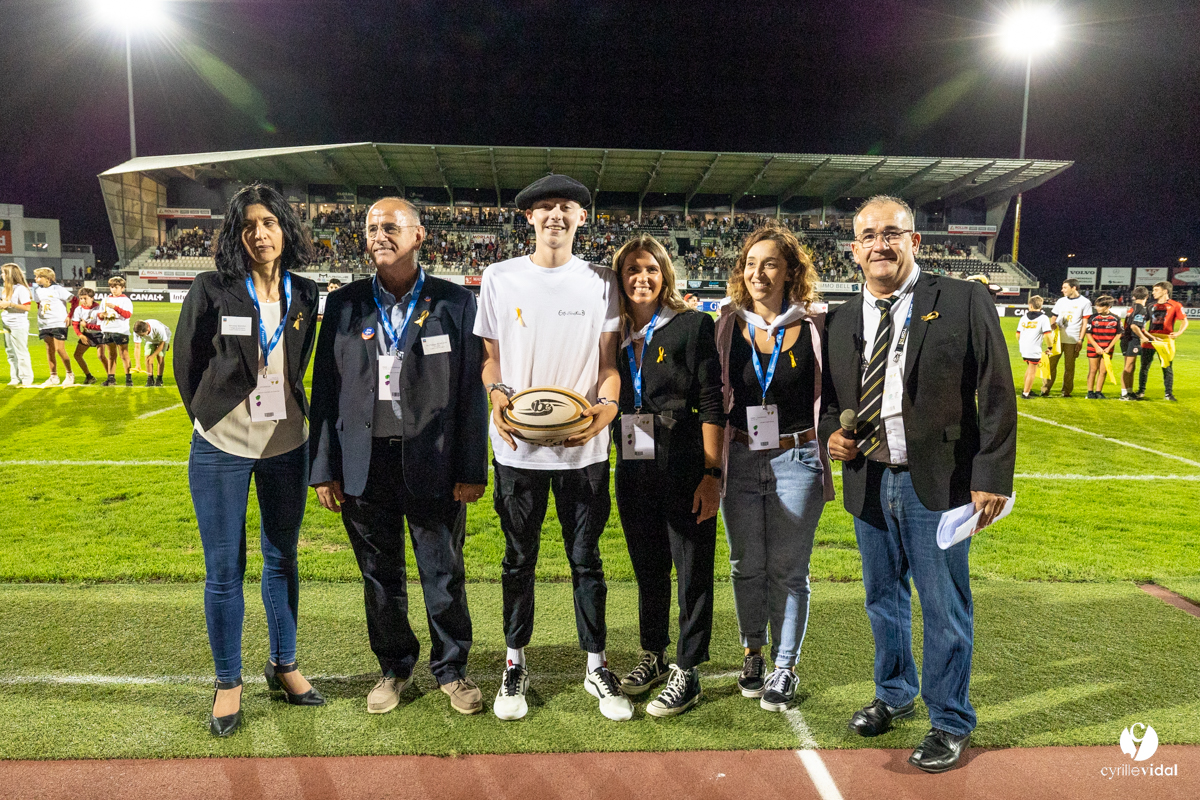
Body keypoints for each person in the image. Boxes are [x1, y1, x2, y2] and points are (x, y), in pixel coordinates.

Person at [819, 196, 1016, 773]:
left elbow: (997, 392)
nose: (881, 244)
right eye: (869, 236)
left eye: (892, 234)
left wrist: (991, 475)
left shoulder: (961, 298)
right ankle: (895, 693)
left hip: (942, 483)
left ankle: (951, 720)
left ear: (915, 242)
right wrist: (834, 432)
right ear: (854, 249)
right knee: (882, 598)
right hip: (870, 478)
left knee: (943, 604)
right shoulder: (842, 317)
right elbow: (833, 401)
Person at [309, 198, 489, 716]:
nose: (378, 235)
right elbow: (324, 391)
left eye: (390, 226)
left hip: (434, 463)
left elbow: (470, 395)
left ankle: (451, 668)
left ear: (419, 236)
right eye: (371, 228)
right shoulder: (343, 304)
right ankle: (394, 667)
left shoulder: (455, 302)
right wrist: (324, 468)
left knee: (443, 571)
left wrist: (471, 467)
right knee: (378, 577)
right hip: (364, 463)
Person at [474, 174, 631, 722]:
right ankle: (514, 663)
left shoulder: (602, 280)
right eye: (544, 208)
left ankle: (596, 665)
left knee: (586, 560)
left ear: (582, 217)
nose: (555, 216)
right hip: (517, 450)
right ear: (529, 219)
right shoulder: (498, 277)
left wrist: (606, 411)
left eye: (566, 207)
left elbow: (610, 365)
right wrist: (495, 394)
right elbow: (491, 358)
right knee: (519, 559)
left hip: (583, 451)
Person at [173, 183, 323, 738]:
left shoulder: (305, 293)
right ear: (237, 234)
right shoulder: (212, 288)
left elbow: (302, 364)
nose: (260, 233)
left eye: (270, 223)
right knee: (224, 570)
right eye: (249, 225)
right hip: (221, 448)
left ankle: (284, 665)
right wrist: (208, 417)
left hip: (287, 445)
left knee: (282, 558)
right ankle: (228, 680)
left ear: (286, 229)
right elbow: (186, 362)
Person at [716, 223, 833, 714]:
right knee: (745, 566)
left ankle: (784, 665)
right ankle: (752, 655)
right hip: (739, 456)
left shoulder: (814, 326)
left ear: (790, 271)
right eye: (750, 263)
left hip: (798, 459)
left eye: (770, 263)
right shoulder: (725, 323)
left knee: (789, 571)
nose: (758, 273)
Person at [610, 235, 723, 717]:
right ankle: (654, 655)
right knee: (648, 565)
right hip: (632, 460)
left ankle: (688, 668)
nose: (642, 278)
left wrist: (712, 472)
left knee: (692, 567)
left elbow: (714, 400)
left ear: (665, 275)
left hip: (683, 459)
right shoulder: (611, 333)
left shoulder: (694, 324)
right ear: (620, 277)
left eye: (651, 269)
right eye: (633, 270)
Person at [1136, 281, 1188, 401]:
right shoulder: (1150, 306)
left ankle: (1168, 394)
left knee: (1167, 367)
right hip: (1150, 340)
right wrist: (1144, 335)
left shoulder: (1176, 305)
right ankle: (1141, 391)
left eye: (1156, 290)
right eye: (1153, 290)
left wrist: (1179, 333)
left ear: (1165, 291)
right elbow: (1143, 323)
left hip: (1165, 340)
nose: (1153, 292)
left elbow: (1184, 321)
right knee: (1144, 366)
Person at [1043, 279, 1092, 397]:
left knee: (1069, 367)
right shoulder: (1061, 301)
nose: (1062, 290)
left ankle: (1066, 391)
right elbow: (1054, 317)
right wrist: (1052, 328)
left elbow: (1085, 323)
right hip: (1057, 339)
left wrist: (1080, 339)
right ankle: (1045, 389)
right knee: (1050, 364)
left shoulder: (1085, 302)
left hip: (1073, 339)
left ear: (1074, 288)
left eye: (1065, 287)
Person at [31, 268, 75, 387]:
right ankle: (53, 376)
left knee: (60, 350)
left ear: (48, 279)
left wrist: (69, 316)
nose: (36, 279)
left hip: (59, 322)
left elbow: (74, 300)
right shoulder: (37, 291)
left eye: (38, 277)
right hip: (45, 324)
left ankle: (70, 374)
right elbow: (39, 304)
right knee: (49, 350)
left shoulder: (58, 289)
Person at [0, 263, 34, 387]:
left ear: (10, 274)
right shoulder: (5, 288)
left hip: (18, 324)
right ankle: (15, 377)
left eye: (3, 273)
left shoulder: (21, 289)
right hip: (7, 323)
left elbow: (27, 307)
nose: (1, 275)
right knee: (10, 352)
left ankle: (26, 378)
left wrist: (10, 304)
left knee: (21, 352)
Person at [1015, 295, 1052, 400]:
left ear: (1030, 306)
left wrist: (1022, 343)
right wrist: (1050, 347)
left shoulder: (1023, 317)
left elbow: (1018, 334)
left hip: (1024, 346)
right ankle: (1026, 393)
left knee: (1029, 368)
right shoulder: (1043, 318)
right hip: (1034, 347)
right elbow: (1047, 335)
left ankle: (1027, 389)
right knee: (1032, 371)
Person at [98, 277, 133, 387]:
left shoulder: (125, 300)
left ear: (122, 288)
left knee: (124, 355)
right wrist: (101, 315)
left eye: (116, 287)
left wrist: (115, 307)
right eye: (112, 287)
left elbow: (127, 315)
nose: (113, 290)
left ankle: (128, 378)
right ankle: (111, 378)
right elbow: (99, 315)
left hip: (120, 330)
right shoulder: (105, 299)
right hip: (108, 329)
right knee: (111, 355)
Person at [1084, 296, 1120, 400]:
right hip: (1093, 348)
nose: (1097, 308)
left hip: (1107, 349)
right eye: (1097, 306)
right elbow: (1088, 333)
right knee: (1093, 370)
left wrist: (1109, 347)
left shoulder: (1115, 319)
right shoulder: (1093, 318)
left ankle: (1099, 392)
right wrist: (1096, 347)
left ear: (1108, 307)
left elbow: (1118, 334)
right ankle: (1090, 392)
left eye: (1100, 306)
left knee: (1103, 371)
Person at [1119, 286, 1150, 400]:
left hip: (1128, 339)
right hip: (1132, 340)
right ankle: (1124, 394)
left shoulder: (1132, 308)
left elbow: (1138, 327)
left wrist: (1152, 337)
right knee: (1128, 367)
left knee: (1131, 367)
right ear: (1147, 296)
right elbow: (1134, 326)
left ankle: (1129, 391)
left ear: (1133, 296)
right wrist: (1142, 337)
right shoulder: (1141, 309)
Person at [69, 288, 103, 384]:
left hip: (100, 334)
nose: (83, 301)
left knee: (101, 356)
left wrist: (86, 325)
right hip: (87, 334)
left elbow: (101, 327)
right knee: (77, 355)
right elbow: (75, 324)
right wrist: (80, 335)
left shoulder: (99, 309)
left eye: (85, 298)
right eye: (81, 298)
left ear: (92, 298)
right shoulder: (79, 309)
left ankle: (111, 376)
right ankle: (89, 377)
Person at [133, 319, 171, 387]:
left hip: (163, 338)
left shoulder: (158, 328)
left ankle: (159, 379)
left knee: (160, 356)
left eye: (142, 335)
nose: (141, 337)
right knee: (147, 357)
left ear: (147, 329)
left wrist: (153, 356)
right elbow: (137, 347)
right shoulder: (137, 331)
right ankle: (150, 379)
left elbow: (161, 344)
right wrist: (137, 364)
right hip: (150, 340)